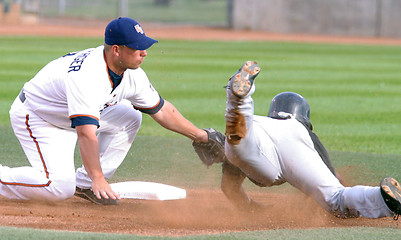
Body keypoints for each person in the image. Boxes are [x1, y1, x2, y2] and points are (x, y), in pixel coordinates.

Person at [0, 17, 208, 205]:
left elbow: (162, 110)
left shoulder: (133, 75)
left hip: (68, 115)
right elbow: (86, 134)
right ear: (116, 50)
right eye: (137, 48)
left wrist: (201, 136)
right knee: (58, 188)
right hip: (40, 118)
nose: (144, 53)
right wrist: (98, 176)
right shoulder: (88, 77)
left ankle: (86, 185)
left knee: (130, 117)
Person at [220, 61, 401, 219]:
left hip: (255, 131)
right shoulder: (302, 131)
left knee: (239, 145)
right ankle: (382, 198)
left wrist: (249, 208)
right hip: (289, 148)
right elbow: (330, 176)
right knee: (336, 199)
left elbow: (229, 187)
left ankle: (238, 101)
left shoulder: (262, 122)